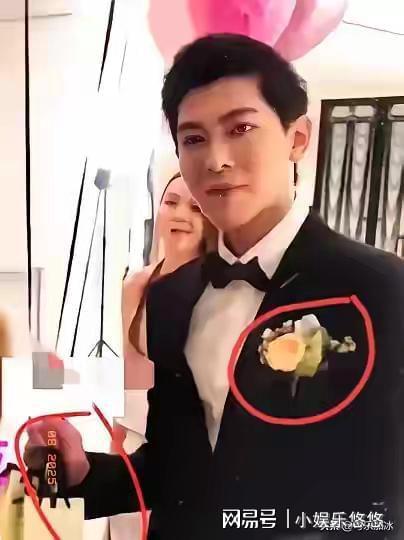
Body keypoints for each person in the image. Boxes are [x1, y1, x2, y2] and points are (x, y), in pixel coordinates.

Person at [25, 34, 404, 539]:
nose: (217, 159)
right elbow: (175, 470)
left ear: (297, 137)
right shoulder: (170, 297)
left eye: (241, 128)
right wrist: (78, 472)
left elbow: (386, 498)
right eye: (194, 139)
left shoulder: (379, 287)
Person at [110, 170, 216, 539]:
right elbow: (133, 373)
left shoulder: (218, 292)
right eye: (171, 202)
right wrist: (119, 436)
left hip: (186, 457)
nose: (180, 215)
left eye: (196, 208)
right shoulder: (136, 285)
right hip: (134, 441)